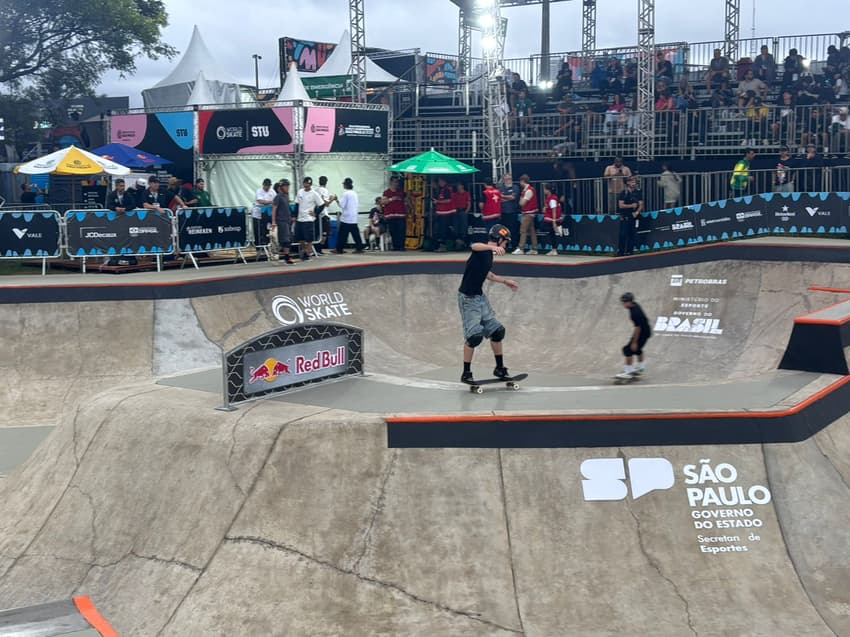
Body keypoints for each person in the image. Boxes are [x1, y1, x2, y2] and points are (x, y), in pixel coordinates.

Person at [458, 224, 519, 384]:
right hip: (468, 299)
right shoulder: (482, 250)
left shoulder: (488, 255)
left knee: (497, 332)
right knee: (474, 337)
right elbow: (474, 246)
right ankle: (466, 373)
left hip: (480, 297)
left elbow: (488, 274)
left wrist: (506, 281)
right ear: (499, 239)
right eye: (505, 242)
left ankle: (500, 368)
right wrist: (490, 248)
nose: (506, 246)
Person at [616, 292, 651, 379]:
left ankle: (628, 372)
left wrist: (634, 342)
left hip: (642, 332)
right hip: (646, 331)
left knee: (628, 350)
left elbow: (638, 328)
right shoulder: (634, 305)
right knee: (637, 350)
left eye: (624, 302)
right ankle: (641, 368)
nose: (623, 304)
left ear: (630, 302)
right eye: (623, 302)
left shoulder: (635, 312)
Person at [295, 176, 324, 261]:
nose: (306, 185)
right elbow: (297, 204)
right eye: (305, 183)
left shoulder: (314, 194)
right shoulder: (300, 192)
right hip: (300, 218)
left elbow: (321, 205)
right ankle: (303, 252)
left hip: (308, 219)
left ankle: (308, 253)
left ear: (310, 185)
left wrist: (316, 213)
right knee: (300, 238)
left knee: (309, 238)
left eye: (308, 184)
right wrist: (295, 216)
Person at [334, 177, 364, 254]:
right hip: (353, 217)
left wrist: (336, 200)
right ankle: (359, 247)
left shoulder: (346, 193)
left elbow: (342, 205)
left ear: (345, 185)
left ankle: (339, 249)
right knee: (355, 234)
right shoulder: (354, 193)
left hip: (346, 217)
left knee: (342, 234)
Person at [513, 174, 539, 255]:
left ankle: (521, 248)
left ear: (522, 181)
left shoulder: (528, 191)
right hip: (530, 213)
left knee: (523, 230)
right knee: (532, 231)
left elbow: (522, 203)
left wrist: (521, 197)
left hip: (528, 213)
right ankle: (534, 249)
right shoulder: (529, 190)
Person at [617, 176, 643, 257]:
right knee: (623, 234)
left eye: (635, 182)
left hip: (633, 216)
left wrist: (637, 212)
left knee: (632, 234)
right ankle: (621, 251)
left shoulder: (637, 192)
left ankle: (630, 251)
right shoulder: (623, 193)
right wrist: (631, 205)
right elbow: (621, 205)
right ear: (627, 183)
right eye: (632, 182)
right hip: (625, 216)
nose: (634, 183)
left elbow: (641, 204)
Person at [270, 178, 295, 265]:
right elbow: (274, 209)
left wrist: (292, 216)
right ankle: (286, 256)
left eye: (288, 186)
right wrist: (273, 222)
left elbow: (287, 208)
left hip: (287, 220)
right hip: (281, 221)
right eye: (286, 186)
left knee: (289, 239)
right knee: (285, 239)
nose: (287, 188)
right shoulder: (278, 197)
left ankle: (286, 255)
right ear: (281, 187)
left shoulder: (286, 196)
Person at [382, 176, 407, 251]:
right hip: (391, 215)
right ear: (391, 182)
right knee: (393, 231)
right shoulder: (386, 192)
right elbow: (383, 202)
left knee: (401, 231)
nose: (396, 184)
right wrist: (392, 199)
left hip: (401, 215)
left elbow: (406, 201)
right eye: (395, 182)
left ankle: (401, 246)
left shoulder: (401, 192)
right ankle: (395, 246)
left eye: (397, 182)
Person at [432, 177, 455, 252]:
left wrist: (438, 202)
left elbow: (449, 200)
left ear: (443, 181)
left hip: (446, 213)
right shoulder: (441, 189)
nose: (438, 183)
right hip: (441, 212)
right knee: (440, 230)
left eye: (439, 181)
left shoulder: (447, 189)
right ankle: (440, 245)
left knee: (443, 230)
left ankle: (443, 246)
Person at [315, 176, 336, 255]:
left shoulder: (316, 190)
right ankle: (319, 250)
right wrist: (333, 199)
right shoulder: (325, 190)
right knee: (325, 233)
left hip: (317, 214)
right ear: (326, 182)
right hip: (324, 214)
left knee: (318, 233)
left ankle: (317, 249)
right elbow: (326, 204)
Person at [252, 178, 275, 249]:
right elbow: (260, 201)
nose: (267, 187)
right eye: (266, 185)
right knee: (258, 231)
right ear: (263, 185)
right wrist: (270, 202)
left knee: (266, 231)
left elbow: (276, 199)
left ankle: (267, 245)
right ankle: (258, 247)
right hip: (258, 214)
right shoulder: (259, 191)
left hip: (267, 214)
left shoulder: (272, 191)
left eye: (269, 185)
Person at [541, 183, 563, 256]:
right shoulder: (549, 198)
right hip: (550, 218)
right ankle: (554, 249)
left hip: (552, 219)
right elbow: (549, 208)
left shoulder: (553, 199)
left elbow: (554, 210)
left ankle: (554, 250)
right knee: (551, 233)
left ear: (548, 190)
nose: (543, 190)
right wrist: (545, 209)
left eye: (544, 189)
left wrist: (554, 222)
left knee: (551, 233)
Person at [499, 173, 521, 240]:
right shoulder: (500, 188)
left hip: (512, 212)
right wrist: (508, 198)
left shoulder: (515, 187)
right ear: (504, 180)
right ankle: (504, 244)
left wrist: (503, 197)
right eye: (507, 179)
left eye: (510, 179)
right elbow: (499, 199)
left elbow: (513, 197)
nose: (508, 180)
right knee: (503, 230)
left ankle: (514, 245)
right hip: (503, 212)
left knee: (513, 229)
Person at [452, 182, 471, 249]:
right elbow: (453, 202)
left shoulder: (466, 193)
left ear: (462, 186)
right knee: (456, 226)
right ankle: (457, 241)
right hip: (456, 211)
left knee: (463, 226)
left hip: (463, 210)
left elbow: (469, 203)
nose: (458, 186)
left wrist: (466, 211)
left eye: (459, 185)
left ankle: (463, 240)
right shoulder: (455, 194)